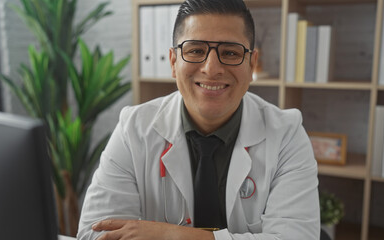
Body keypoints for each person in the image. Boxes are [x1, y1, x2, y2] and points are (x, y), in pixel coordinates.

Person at [77, 0, 320, 239]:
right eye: (195, 50)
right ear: (173, 62)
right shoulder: (133, 129)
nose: (211, 68)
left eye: (230, 52)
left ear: (251, 64)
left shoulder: (287, 134)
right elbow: (95, 233)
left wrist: (171, 235)